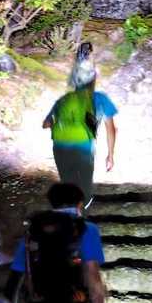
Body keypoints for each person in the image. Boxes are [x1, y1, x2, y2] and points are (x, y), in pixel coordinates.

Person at [42, 42, 117, 204]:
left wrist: (62, 124)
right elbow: (111, 129)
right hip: (83, 146)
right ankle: (82, 210)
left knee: (67, 183)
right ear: (93, 80)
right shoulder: (100, 99)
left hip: (60, 146)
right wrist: (110, 155)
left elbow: (45, 124)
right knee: (84, 185)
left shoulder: (64, 100)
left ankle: (68, 210)